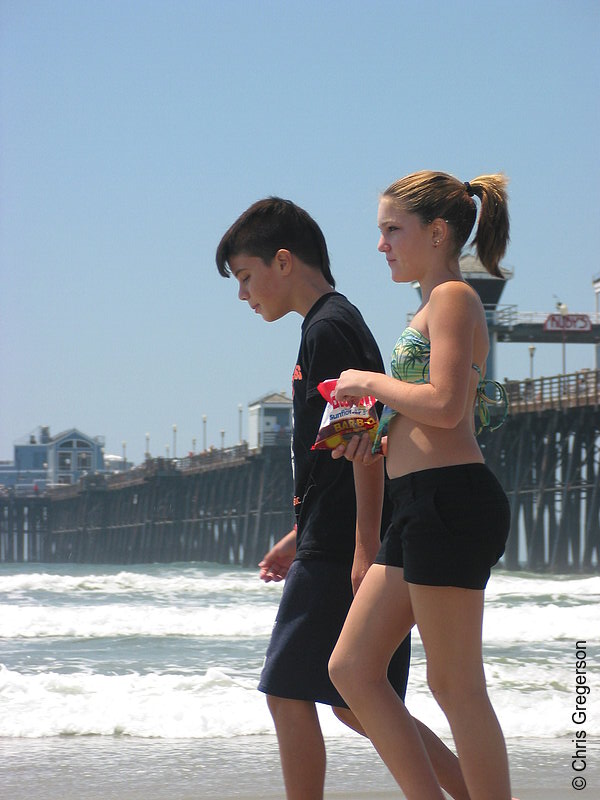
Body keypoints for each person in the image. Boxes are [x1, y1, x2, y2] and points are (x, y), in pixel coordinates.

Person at [215, 197, 472, 800]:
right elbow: (335, 454)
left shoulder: (329, 329)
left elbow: (366, 446)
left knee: (289, 693)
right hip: (332, 536)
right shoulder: (329, 325)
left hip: (343, 544)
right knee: (359, 703)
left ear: (284, 262)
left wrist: (361, 548)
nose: (244, 295)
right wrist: (293, 537)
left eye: (247, 277)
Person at [328, 171, 513, 800]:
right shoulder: (429, 305)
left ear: (437, 233)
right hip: (416, 503)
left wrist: (368, 382)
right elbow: (424, 410)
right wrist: (374, 432)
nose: (381, 244)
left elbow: (447, 404)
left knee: (456, 687)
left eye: (391, 230)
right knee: (351, 668)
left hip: (450, 499)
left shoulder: (456, 296)